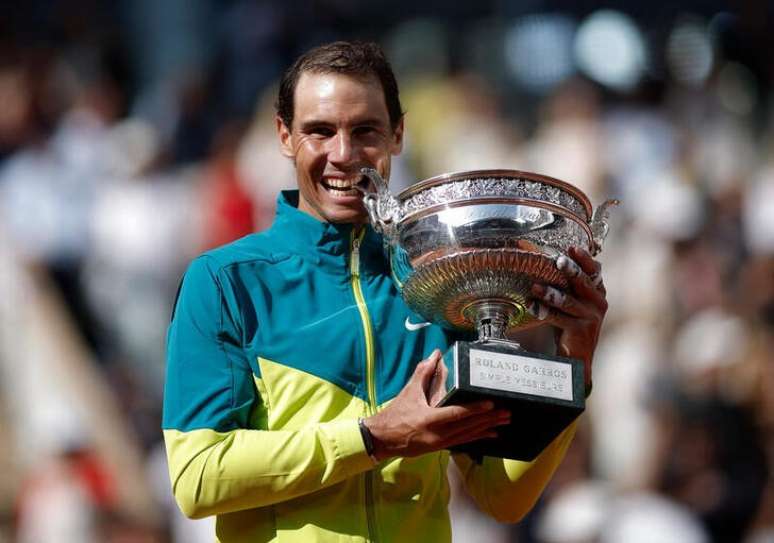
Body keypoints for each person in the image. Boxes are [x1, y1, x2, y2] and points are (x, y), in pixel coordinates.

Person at [162, 41, 608, 543]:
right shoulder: (225, 280)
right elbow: (197, 476)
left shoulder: (439, 282)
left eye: (365, 131)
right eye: (320, 131)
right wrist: (372, 438)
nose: (344, 154)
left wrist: (577, 362)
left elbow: (503, 497)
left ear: (397, 134)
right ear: (284, 136)